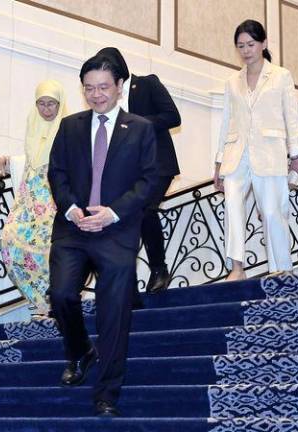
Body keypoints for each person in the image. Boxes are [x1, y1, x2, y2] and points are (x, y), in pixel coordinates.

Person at [47, 55, 159, 417]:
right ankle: (80, 351)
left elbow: (148, 181)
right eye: (89, 88)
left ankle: (107, 393)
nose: (96, 95)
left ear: (119, 87)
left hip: (116, 232)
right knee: (62, 294)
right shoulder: (69, 126)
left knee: (114, 314)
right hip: (73, 228)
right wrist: (70, 209)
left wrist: (112, 212)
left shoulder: (140, 128)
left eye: (103, 87)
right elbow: (57, 173)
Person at [213, 20, 298, 281]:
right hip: (236, 154)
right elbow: (226, 122)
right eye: (241, 45)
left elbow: (292, 116)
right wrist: (219, 161)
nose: (246, 50)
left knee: (272, 211)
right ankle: (237, 268)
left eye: (251, 44)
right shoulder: (232, 81)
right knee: (232, 206)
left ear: (263, 44)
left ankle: (281, 271)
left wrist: (297, 153)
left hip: (269, 153)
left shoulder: (280, 76)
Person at [96, 47, 181, 293]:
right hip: (131, 172)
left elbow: (173, 116)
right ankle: (126, 281)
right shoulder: (108, 102)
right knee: (121, 218)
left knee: (144, 209)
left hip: (158, 164)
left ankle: (159, 269)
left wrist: (138, 126)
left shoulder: (147, 84)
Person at [0, 80, 68, 316]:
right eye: (41, 103)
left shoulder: (69, 129)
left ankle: (56, 302)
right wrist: (9, 161)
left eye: (52, 104)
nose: (46, 109)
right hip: (30, 199)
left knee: (53, 252)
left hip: (56, 199)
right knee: (10, 240)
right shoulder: (33, 124)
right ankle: (40, 302)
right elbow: (34, 158)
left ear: (60, 105)